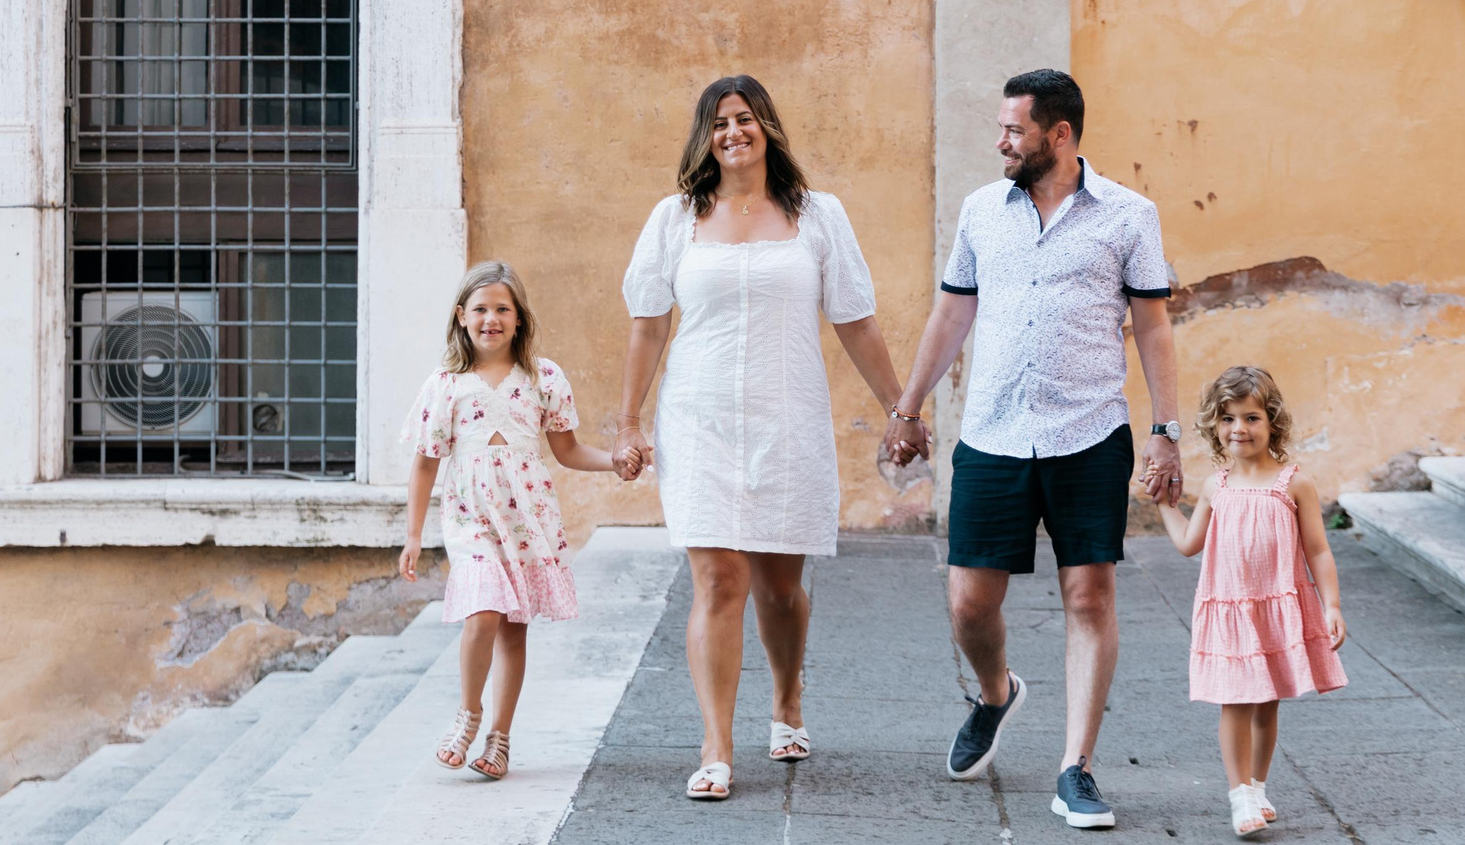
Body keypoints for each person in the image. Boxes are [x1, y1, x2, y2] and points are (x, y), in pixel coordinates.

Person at [884, 68, 1182, 831]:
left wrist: (1165, 429)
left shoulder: (1129, 215)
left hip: (1089, 432)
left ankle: (1075, 766)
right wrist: (908, 406)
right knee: (969, 603)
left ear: (1060, 134)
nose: (1001, 141)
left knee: (1090, 595)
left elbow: (1151, 326)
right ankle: (995, 693)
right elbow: (952, 311)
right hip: (993, 432)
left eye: (1014, 130)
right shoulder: (984, 208)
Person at [612, 75, 910, 801]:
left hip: (787, 416)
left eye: (744, 118)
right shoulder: (675, 217)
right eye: (718, 123)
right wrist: (627, 417)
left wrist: (901, 405)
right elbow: (649, 322)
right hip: (699, 417)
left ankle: (786, 702)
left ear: (768, 126)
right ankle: (715, 744)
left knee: (779, 587)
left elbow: (856, 320)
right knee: (719, 578)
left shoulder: (817, 215)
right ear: (703, 137)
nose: (732, 132)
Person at [397, 262, 620, 779]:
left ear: (519, 319)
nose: (491, 319)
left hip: (526, 514)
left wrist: (616, 461)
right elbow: (426, 461)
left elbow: (567, 450)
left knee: (513, 630)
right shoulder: (445, 384)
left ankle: (500, 739)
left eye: (502, 309)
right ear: (460, 317)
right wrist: (413, 537)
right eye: (480, 309)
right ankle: (468, 713)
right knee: (482, 610)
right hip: (470, 514)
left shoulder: (544, 377)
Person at [1152, 366, 1347, 837]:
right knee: (1235, 702)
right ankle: (1239, 796)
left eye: (1252, 417)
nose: (1239, 428)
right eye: (1228, 418)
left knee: (1267, 703)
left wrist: (1332, 605)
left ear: (1272, 422)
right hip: (1231, 611)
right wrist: (1162, 504)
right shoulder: (1217, 486)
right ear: (1215, 427)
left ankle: (1257, 788)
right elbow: (1188, 543)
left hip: (1277, 608)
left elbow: (1318, 551)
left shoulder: (1294, 483)